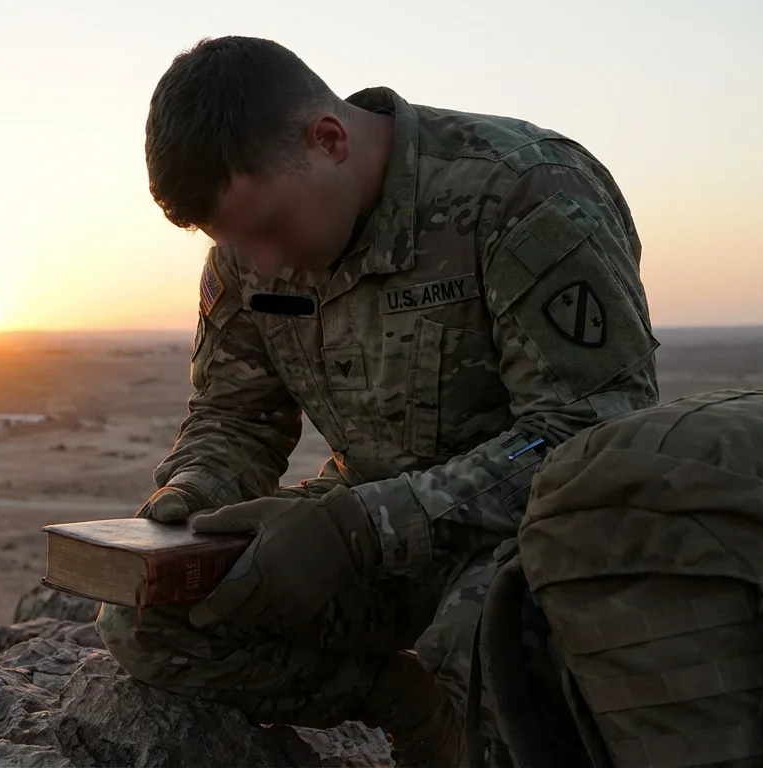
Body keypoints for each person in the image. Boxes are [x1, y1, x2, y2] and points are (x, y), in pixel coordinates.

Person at [94, 35, 660, 765]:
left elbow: (592, 432)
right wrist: (194, 493)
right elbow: (235, 416)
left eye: (268, 228)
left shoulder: (524, 190)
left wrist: (361, 529)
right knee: (152, 621)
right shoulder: (246, 252)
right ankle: (406, 703)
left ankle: (467, 718)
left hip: (527, 539)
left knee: (485, 644)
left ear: (329, 140)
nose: (260, 260)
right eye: (234, 241)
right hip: (369, 541)